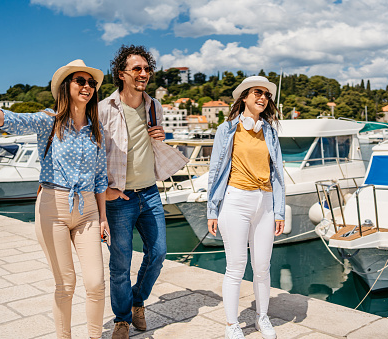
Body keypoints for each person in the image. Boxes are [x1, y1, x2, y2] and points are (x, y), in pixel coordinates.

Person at [0, 60, 109, 339]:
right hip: (53, 208)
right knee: (66, 284)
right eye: (80, 81)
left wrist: (104, 216)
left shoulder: (97, 130)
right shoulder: (50, 121)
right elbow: (9, 119)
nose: (87, 87)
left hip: (89, 212)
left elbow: (100, 179)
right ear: (66, 86)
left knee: (96, 283)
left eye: (91, 83)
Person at [98, 45, 188, 339]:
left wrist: (161, 137)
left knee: (159, 253)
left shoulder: (154, 106)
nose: (144, 74)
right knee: (120, 264)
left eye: (147, 69)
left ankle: (137, 300)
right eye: (137, 69)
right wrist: (105, 191)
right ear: (121, 74)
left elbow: (152, 141)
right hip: (119, 198)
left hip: (149, 192)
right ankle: (122, 319)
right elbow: (95, 155)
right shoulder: (102, 109)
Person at [207, 76, 285, 339]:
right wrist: (212, 209)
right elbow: (215, 172)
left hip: (264, 202)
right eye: (256, 93)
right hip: (235, 201)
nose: (262, 98)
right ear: (243, 97)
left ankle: (262, 317)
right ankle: (232, 324)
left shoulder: (271, 132)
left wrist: (279, 210)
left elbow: (278, 174)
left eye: (266, 94)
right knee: (236, 266)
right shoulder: (226, 130)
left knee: (262, 266)